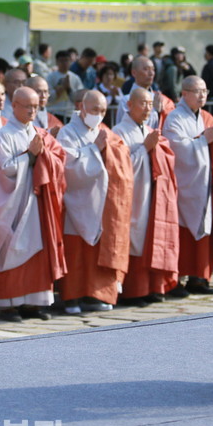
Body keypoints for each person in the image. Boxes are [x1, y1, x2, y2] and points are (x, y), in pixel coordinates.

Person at [0, 86, 67, 322]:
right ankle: (8, 304)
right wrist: (30, 156)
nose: (33, 110)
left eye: (36, 106)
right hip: (14, 203)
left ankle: (34, 302)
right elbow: (5, 170)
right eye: (28, 106)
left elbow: (59, 159)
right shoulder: (5, 135)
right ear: (15, 106)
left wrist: (47, 155)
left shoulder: (39, 132)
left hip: (36, 202)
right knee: (12, 247)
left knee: (37, 247)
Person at [56, 90, 132, 314]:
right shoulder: (67, 133)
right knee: (75, 252)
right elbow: (67, 164)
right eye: (94, 110)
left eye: (102, 111)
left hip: (101, 202)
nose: (98, 115)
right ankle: (72, 297)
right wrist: (94, 149)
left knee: (97, 252)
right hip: (77, 201)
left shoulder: (105, 132)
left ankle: (96, 294)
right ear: (82, 108)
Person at [162, 75, 213, 296]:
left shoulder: (205, 117)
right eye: (197, 91)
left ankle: (200, 278)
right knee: (184, 231)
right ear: (184, 94)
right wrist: (204, 141)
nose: (202, 95)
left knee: (204, 231)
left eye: (204, 91)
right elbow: (178, 148)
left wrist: (211, 140)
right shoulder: (174, 118)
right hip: (186, 186)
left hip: (203, 184)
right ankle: (179, 278)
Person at [114, 87, 179, 305]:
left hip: (151, 191)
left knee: (151, 236)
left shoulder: (148, 129)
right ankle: (133, 291)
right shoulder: (120, 131)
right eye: (142, 103)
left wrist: (156, 148)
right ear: (129, 105)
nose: (147, 108)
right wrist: (144, 149)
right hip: (133, 195)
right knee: (136, 236)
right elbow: (118, 166)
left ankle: (153, 287)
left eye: (150, 104)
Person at [46, 51, 83, 124]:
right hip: (55, 112)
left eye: (66, 60)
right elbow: (48, 97)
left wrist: (68, 89)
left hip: (70, 113)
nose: (64, 63)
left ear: (70, 61)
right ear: (57, 62)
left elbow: (79, 97)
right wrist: (61, 88)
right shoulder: (50, 77)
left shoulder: (75, 78)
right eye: (61, 61)